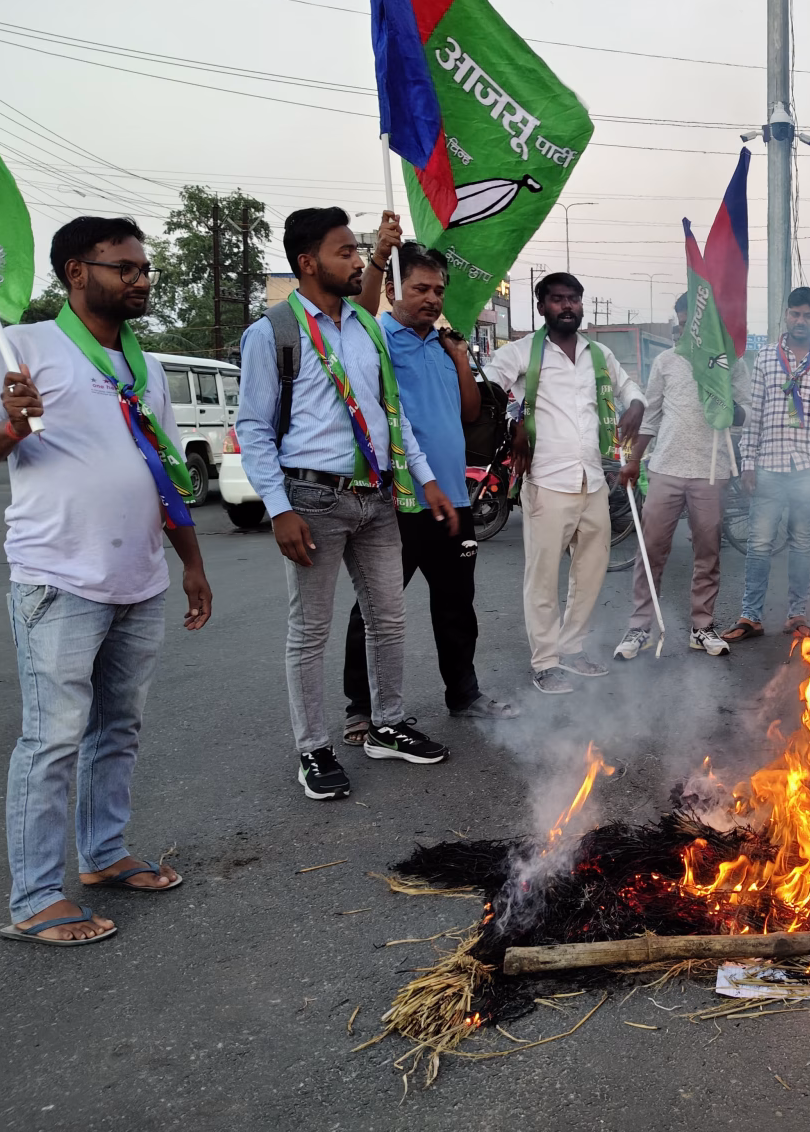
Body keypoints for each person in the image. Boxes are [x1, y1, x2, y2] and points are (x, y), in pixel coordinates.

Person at [0, 216, 212, 944]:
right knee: (52, 740)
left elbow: (164, 468)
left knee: (117, 728)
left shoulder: (144, 365)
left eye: (144, 269)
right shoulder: (22, 348)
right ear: (77, 272)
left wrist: (192, 562)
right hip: (58, 577)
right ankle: (36, 898)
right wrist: (12, 428)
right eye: (124, 267)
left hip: (139, 577)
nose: (141, 279)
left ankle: (103, 855)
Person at [238, 207, 459, 800]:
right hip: (313, 498)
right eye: (345, 252)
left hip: (378, 496)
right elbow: (253, 429)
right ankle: (313, 749)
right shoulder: (273, 333)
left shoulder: (364, 326)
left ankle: (387, 724)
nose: (357, 261)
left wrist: (426, 478)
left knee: (389, 619)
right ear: (308, 263)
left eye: (357, 251)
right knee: (310, 631)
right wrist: (280, 508)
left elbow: (392, 413)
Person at [340, 244, 518, 742]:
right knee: (374, 611)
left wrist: (459, 357)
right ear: (393, 289)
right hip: (394, 500)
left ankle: (464, 694)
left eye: (438, 290)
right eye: (420, 288)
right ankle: (361, 708)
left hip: (453, 498)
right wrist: (380, 252)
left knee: (457, 604)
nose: (432, 299)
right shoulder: (374, 339)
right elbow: (355, 315)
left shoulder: (443, 345)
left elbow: (468, 413)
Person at [485, 273, 644, 692]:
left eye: (574, 298)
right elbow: (488, 391)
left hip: (592, 480)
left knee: (590, 572)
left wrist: (636, 406)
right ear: (542, 307)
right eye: (558, 299)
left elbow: (629, 387)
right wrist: (515, 424)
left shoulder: (598, 354)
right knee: (542, 578)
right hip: (547, 481)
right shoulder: (522, 352)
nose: (567, 306)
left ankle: (572, 649)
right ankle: (545, 661)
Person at [614, 292, 744, 660]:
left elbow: (745, 415)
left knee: (708, 552)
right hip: (665, 469)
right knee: (650, 549)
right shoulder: (666, 361)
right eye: (681, 324)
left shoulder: (730, 363)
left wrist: (723, 397)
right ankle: (640, 627)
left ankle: (702, 627)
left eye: (693, 324)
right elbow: (651, 416)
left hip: (711, 471)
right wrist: (634, 460)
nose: (686, 330)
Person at [722, 286, 810, 640]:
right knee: (759, 544)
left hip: (809, 472)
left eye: (808, 315)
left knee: (802, 544)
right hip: (768, 467)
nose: (800, 320)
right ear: (786, 316)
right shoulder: (766, 357)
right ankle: (750, 616)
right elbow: (756, 414)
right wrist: (748, 463)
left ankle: (797, 615)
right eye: (795, 314)